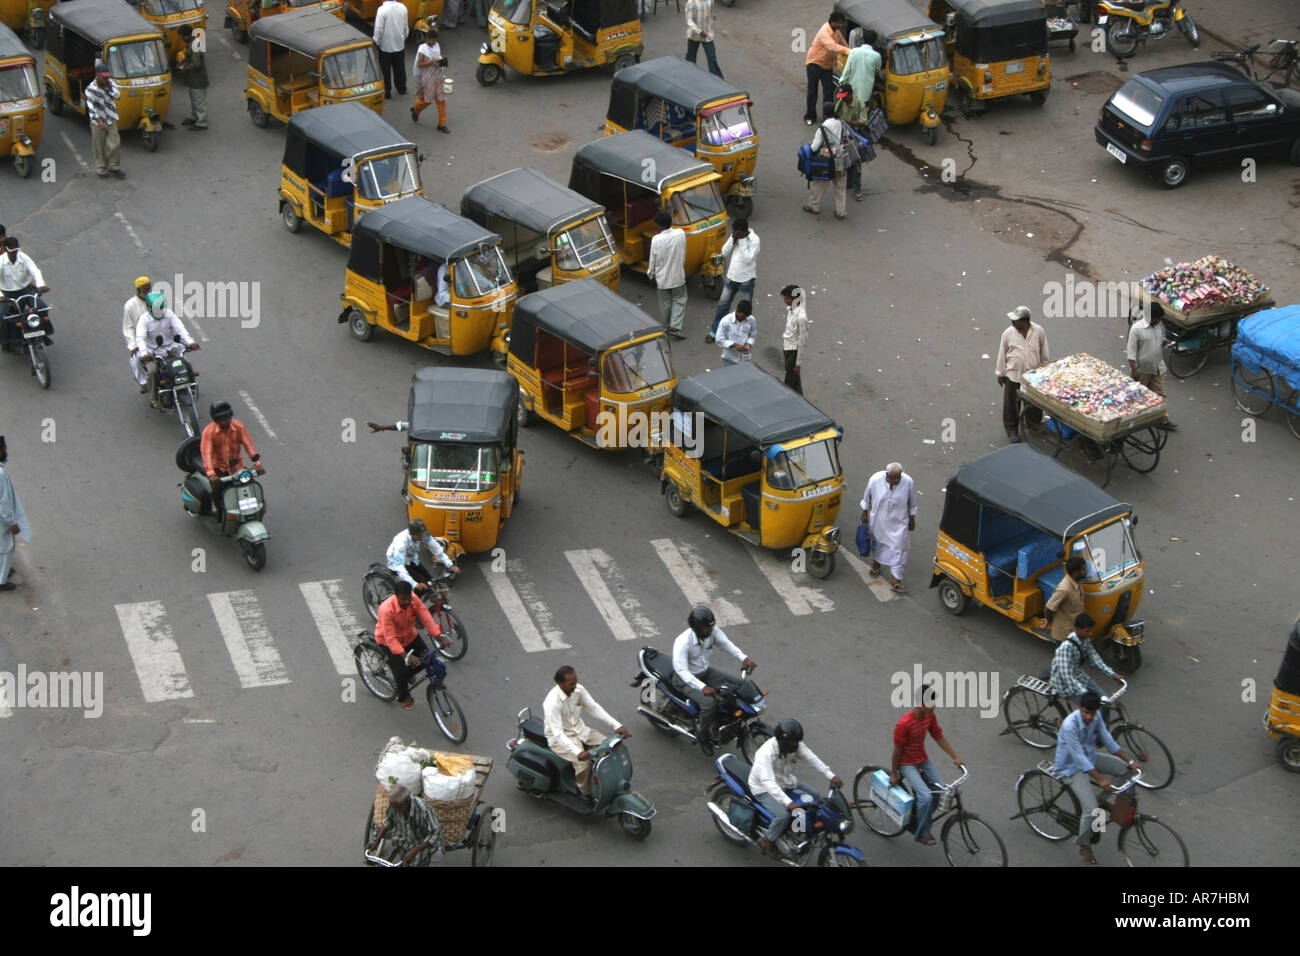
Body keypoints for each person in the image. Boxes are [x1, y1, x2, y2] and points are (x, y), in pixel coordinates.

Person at [1052, 691, 1142, 865]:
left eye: (1092, 713)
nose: (1089, 717)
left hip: (1090, 758)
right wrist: (1101, 779)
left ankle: (1101, 798)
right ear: (1080, 709)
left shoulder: (1096, 717)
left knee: (1126, 771)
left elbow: (1109, 741)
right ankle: (1083, 844)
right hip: (1071, 767)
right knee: (1092, 810)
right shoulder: (1070, 725)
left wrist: (1130, 761)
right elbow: (1079, 758)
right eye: (1086, 712)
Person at [748, 718, 843, 855]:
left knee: (815, 797)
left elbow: (812, 758)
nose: (795, 745)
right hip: (763, 788)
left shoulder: (795, 746)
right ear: (782, 740)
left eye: (796, 742)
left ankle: (799, 830)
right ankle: (767, 839)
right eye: (792, 742)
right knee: (783, 816)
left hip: (786, 781)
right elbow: (768, 782)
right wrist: (789, 803)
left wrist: (830, 775)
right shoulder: (766, 754)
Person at [890, 683, 963, 846]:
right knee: (926, 796)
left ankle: (920, 816)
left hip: (922, 759)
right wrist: (894, 773)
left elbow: (939, 737)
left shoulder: (929, 717)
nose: (933, 706)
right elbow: (897, 751)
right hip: (906, 763)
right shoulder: (904, 724)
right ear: (920, 703)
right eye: (930, 703)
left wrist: (955, 757)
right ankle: (922, 833)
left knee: (940, 790)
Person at [671, 605, 756, 745]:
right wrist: (702, 687)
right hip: (684, 679)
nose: (710, 630)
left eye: (711, 627)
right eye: (706, 628)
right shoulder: (683, 642)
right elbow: (681, 670)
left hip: (705, 672)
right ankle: (702, 734)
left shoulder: (712, 632)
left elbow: (725, 644)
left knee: (739, 685)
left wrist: (743, 658)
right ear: (696, 627)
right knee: (710, 704)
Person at [542, 665, 629, 797]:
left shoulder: (578, 690)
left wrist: (616, 725)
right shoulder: (552, 702)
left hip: (581, 731)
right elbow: (558, 733)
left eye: (575, 682)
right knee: (583, 765)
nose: (574, 686)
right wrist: (578, 752)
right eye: (571, 684)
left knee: (611, 746)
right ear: (560, 683)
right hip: (561, 740)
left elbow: (593, 708)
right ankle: (586, 793)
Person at [375, 580, 448, 709]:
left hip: (409, 636)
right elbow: (390, 638)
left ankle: (408, 676)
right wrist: (405, 656)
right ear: (396, 596)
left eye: (408, 598)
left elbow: (425, 616)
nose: (407, 602)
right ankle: (403, 697)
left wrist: (438, 636)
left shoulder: (413, 599)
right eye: (403, 600)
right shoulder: (386, 610)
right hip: (388, 642)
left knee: (427, 658)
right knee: (401, 672)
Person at [995, 305, 1050, 443]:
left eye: (1015, 320)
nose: (1012, 323)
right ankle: (1012, 430)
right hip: (1013, 375)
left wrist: (1046, 371)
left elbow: (1044, 353)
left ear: (1025, 321)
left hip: (1033, 376)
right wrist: (1000, 373)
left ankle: (1033, 424)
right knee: (1011, 405)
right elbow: (1002, 353)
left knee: (1034, 404)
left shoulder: (1038, 332)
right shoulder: (1008, 333)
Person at [859, 462, 917, 592]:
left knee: (900, 550)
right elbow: (867, 497)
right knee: (878, 545)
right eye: (893, 478)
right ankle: (876, 564)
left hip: (899, 523)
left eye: (898, 478)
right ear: (887, 475)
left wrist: (912, 519)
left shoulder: (908, 482)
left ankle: (896, 580)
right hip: (879, 521)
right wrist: (864, 512)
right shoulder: (875, 480)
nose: (896, 481)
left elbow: (912, 502)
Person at [135, 291, 198, 407]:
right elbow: (140, 338)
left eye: (161, 308)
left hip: (171, 348)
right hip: (153, 353)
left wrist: (190, 342)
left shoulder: (169, 314)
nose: (159, 311)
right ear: (149, 307)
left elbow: (181, 329)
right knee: (152, 372)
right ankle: (153, 398)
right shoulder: (144, 320)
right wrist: (144, 353)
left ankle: (191, 386)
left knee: (186, 364)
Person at [1049, 613, 1121, 707]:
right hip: (1065, 685)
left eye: (1091, 631)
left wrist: (1112, 674)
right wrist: (1084, 693)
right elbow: (1066, 676)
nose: (1090, 634)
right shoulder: (1066, 648)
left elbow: (1095, 659)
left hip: (1079, 676)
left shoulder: (1085, 641)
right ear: (1077, 629)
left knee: (1106, 702)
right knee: (1089, 708)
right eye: (1087, 631)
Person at [706, 218, 759, 342]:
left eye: (738, 232)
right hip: (731, 278)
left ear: (744, 231)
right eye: (734, 232)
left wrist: (741, 241)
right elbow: (724, 253)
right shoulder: (734, 236)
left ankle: (742, 335)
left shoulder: (755, 240)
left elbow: (748, 259)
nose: (735, 233)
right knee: (722, 307)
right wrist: (732, 239)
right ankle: (714, 332)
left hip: (746, 280)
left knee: (744, 311)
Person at [1126, 303, 1178, 430]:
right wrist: (1134, 370)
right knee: (1139, 395)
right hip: (1142, 369)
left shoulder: (1158, 326)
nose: (1159, 321)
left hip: (1157, 366)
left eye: (1160, 319)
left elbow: (1160, 340)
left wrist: (1166, 342)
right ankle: (1130, 420)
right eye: (1157, 319)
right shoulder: (1136, 329)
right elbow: (1131, 352)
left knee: (1160, 394)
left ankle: (1162, 419)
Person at [367, 784, 442, 865]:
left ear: (406, 802)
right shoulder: (396, 806)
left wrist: (414, 851)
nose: (394, 810)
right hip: (407, 844)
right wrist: (376, 841)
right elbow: (389, 821)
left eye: (396, 808)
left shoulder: (424, 809)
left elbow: (435, 833)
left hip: (428, 849)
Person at [0, 237, 50, 351]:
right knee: (1, 316)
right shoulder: (1, 262)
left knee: (42, 308)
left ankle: (42, 334)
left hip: (24, 290)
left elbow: (35, 270)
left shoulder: (23, 257)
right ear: (6, 249)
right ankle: (4, 341)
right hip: (6, 293)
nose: (15, 253)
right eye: (12, 251)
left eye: (16, 250)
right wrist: (0, 295)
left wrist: (40, 284)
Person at [200, 400, 265, 485]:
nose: (227, 420)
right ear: (217, 419)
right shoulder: (208, 432)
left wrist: (257, 464)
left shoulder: (239, 427)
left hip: (236, 465)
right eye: (224, 418)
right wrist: (211, 474)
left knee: (249, 484)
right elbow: (206, 453)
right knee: (217, 490)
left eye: (229, 417)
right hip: (218, 468)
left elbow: (248, 445)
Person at [804, 100, 849, 219]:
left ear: (824, 114)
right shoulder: (840, 123)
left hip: (826, 159)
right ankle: (841, 212)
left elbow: (814, 147)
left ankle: (814, 207)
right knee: (840, 187)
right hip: (841, 158)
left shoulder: (823, 128)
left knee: (818, 184)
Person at [386, 518, 458, 591]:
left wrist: (450, 565)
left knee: (430, 581)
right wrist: (414, 584)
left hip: (412, 559)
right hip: (398, 562)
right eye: (420, 535)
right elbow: (399, 566)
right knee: (419, 589)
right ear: (412, 534)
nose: (423, 537)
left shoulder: (423, 535)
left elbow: (436, 548)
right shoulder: (401, 542)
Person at [804, 10, 850, 126]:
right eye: (839, 23)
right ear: (832, 22)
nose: (840, 26)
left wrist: (850, 52)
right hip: (815, 64)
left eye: (842, 23)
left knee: (828, 92)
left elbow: (843, 44)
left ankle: (828, 117)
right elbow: (833, 47)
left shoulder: (837, 32)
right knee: (812, 92)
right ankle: (810, 116)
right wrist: (850, 52)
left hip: (828, 66)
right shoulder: (824, 32)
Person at [646, 210, 687, 339]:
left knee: (664, 303)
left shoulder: (656, 240)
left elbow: (653, 260)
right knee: (679, 300)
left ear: (659, 226)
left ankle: (665, 326)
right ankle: (675, 326)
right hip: (678, 276)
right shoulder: (681, 234)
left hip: (662, 279)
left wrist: (651, 275)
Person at [0, 436, 31, 592]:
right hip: (2, 521)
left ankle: (2, 570)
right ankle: (1, 580)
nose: (6, 451)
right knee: (6, 547)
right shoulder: (0, 474)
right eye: (3, 449)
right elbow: (3, 503)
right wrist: (12, 522)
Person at [85, 63, 124, 180]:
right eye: (103, 77)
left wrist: (109, 87)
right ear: (97, 75)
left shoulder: (110, 83)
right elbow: (90, 108)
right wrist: (99, 121)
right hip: (98, 122)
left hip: (111, 119)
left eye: (107, 77)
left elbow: (118, 96)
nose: (106, 79)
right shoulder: (90, 89)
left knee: (115, 144)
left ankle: (113, 166)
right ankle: (101, 168)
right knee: (99, 146)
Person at [1039, 555, 1088, 642]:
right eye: (1083, 570)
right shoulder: (1064, 590)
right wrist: (1048, 621)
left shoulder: (1077, 582)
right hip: (1064, 636)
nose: (1086, 571)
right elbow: (1048, 608)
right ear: (1075, 572)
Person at [411, 28, 449, 132]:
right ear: (427, 38)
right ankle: (416, 110)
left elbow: (438, 57)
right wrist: (433, 61)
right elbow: (420, 64)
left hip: (437, 75)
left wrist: (442, 62)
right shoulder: (422, 49)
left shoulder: (436, 46)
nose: (433, 43)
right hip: (426, 77)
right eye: (431, 40)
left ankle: (442, 124)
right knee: (427, 100)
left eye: (435, 41)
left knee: (441, 100)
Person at [174, 25, 209, 131]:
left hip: (198, 79)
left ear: (186, 35)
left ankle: (202, 123)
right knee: (194, 99)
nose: (181, 39)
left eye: (181, 37)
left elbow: (196, 63)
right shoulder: (191, 43)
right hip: (193, 79)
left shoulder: (195, 44)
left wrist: (185, 68)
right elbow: (190, 57)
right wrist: (183, 62)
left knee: (199, 101)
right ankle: (194, 117)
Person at [373, 0, 410, 99]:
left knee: (385, 69)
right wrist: (404, 37)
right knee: (400, 68)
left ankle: (387, 91)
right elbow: (405, 26)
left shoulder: (382, 10)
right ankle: (401, 87)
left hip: (385, 46)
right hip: (399, 44)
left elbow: (378, 29)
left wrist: (376, 42)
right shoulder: (403, 7)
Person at [123, 277, 152, 391]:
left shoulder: (154, 299)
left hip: (158, 335)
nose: (148, 292)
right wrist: (133, 346)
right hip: (141, 340)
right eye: (145, 289)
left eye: (149, 288)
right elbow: (127, 327)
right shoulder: (130, 305)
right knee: (135, 360)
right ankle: (144, 382)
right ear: (138, 290)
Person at [684, 0, 722, 79]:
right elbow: (689, 20)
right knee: (691, 57)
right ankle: (688, 77)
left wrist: (712, 20)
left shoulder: (710, 1)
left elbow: (712, 12)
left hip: (707, 34)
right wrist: (699, 31)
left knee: (712, 58)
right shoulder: (691, 3)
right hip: (694, 35)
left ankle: (718, 79)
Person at [780, 284, 808, 393]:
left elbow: (803, 341)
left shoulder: (801, 317)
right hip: (787, 348)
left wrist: (798, 363)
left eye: (787, 298)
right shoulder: (790, 310)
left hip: (793, 351)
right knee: (794, 381)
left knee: (789, 382)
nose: (784, 301)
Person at [715, 299, 754, 366]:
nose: (744, 319)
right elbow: (719, 340)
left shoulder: (751, 320)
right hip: (729, 360)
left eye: (746, 317)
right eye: (742, 316)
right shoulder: (726, 321)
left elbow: (753, 334)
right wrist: (734, 345)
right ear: (737, 311)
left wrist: (749, 344)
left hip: (745, 359)